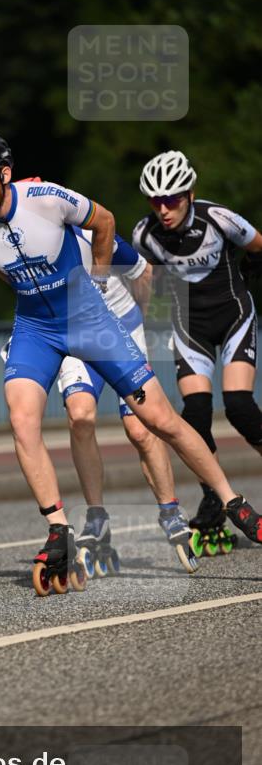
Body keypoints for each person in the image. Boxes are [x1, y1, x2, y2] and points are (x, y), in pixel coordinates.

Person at [0, 130, 262, 596]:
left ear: (4, 174)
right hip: (36, 327)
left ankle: (232, 502)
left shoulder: (48, 200)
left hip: (94, 319)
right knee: (31, 418)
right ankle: (60, 528)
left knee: (155, 421)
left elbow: (112, 229)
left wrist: (103, 288)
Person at [133, 150, 262, 552]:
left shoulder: (218, 218)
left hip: (234, 315)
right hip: (190, 326)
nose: (163, 209)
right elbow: (147, 287)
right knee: (196, 414)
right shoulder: (144, 234)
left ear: (189, 194)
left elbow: (258, 245)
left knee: (239, 405)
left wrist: (250, 273)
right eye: (155, 201)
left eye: (172, 199)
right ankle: (214, 500)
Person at [56, 229, 197, 574]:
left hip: (120, 329)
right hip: (74, 335)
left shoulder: (90, 230)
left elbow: (145, 274)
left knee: (140, 428)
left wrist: (143, 324)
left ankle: (170, 510)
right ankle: (96, 517)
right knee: (80, 416)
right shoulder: (25, 240)